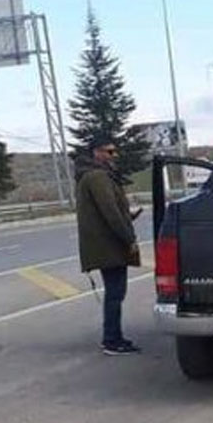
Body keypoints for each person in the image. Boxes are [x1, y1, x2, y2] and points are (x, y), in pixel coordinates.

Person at [76, 137, 142, 356]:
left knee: (115, 292)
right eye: (109, 152)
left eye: (114, 152)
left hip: (105, 244)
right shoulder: (97, 177)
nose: (114, 156)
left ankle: (113, 337)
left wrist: (128, 215)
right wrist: (128, 238)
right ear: (97, 153)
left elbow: (109, 210)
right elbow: (110, 212)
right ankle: (112, 340)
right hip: (109, 246)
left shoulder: (94, 176)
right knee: (115, 293)